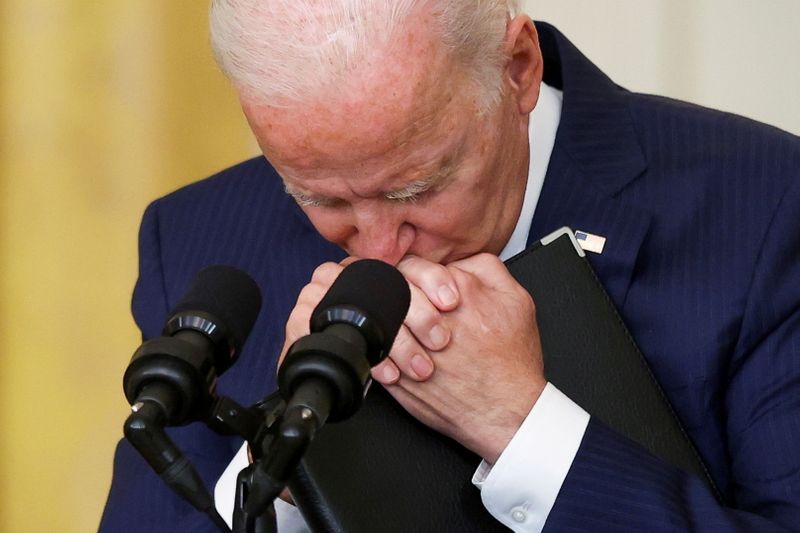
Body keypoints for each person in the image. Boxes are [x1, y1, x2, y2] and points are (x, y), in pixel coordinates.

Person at [101, 1, 800, 531]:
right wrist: (283, 469)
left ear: (518, 70)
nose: (377, 247)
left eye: (417, 188)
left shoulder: (767, 208)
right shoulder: (197, 233)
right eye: (319, 195)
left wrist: (525, 430)